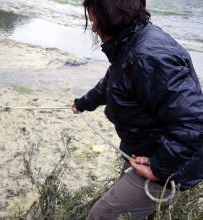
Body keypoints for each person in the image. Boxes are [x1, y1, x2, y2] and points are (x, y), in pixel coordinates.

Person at [71, 0, 203, 219]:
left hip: (171, 165)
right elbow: (114, 81)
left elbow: (193, 123)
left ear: (112, 17)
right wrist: (84, 103)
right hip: (144, 150)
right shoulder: (129, 42)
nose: (93, 28)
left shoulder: (150, 57)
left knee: (100, 216)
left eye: (94, 20)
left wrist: (159, 169)